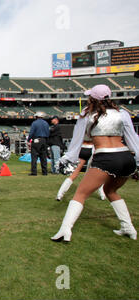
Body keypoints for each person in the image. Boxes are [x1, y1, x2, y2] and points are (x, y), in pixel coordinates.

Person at [52, 84, 138, 243]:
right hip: (126, 158)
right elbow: (134, 141)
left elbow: (76, 143)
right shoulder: (123, 114)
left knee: (81, 194)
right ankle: (128, 228)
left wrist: (67, 159)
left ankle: (65, 229)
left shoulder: (86, 114)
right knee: (110, 190)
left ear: (92, 98)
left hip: (105, 158)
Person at [27, 112, 50, 176]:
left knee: (34, 157)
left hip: (36, 140)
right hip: (44, 140)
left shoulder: (34, 123)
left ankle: (34, 172)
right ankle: (44, 172)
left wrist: (29, 139)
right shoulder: (46, 123)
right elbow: (48, 133)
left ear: (36, 117)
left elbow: (31, 132)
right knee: (43, 157)